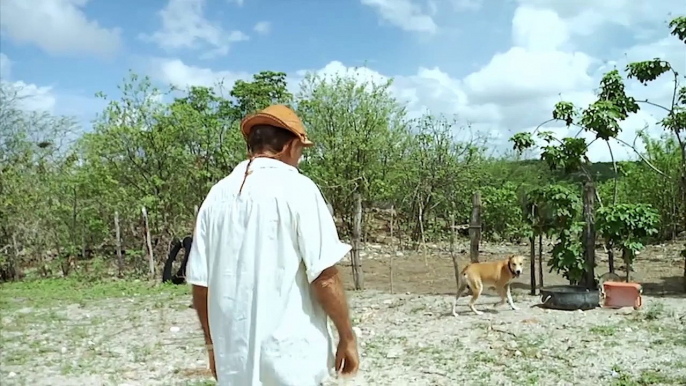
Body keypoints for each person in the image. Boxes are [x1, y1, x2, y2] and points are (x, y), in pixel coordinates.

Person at [186, 104, 360, 386]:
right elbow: (325, 278)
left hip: (234, 360)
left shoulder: (216, 196)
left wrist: (212, 346)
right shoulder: (298, 188)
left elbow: (201, 285)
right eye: (301, 151)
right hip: (291, 360)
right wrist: (347, 336)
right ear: (290, 146)